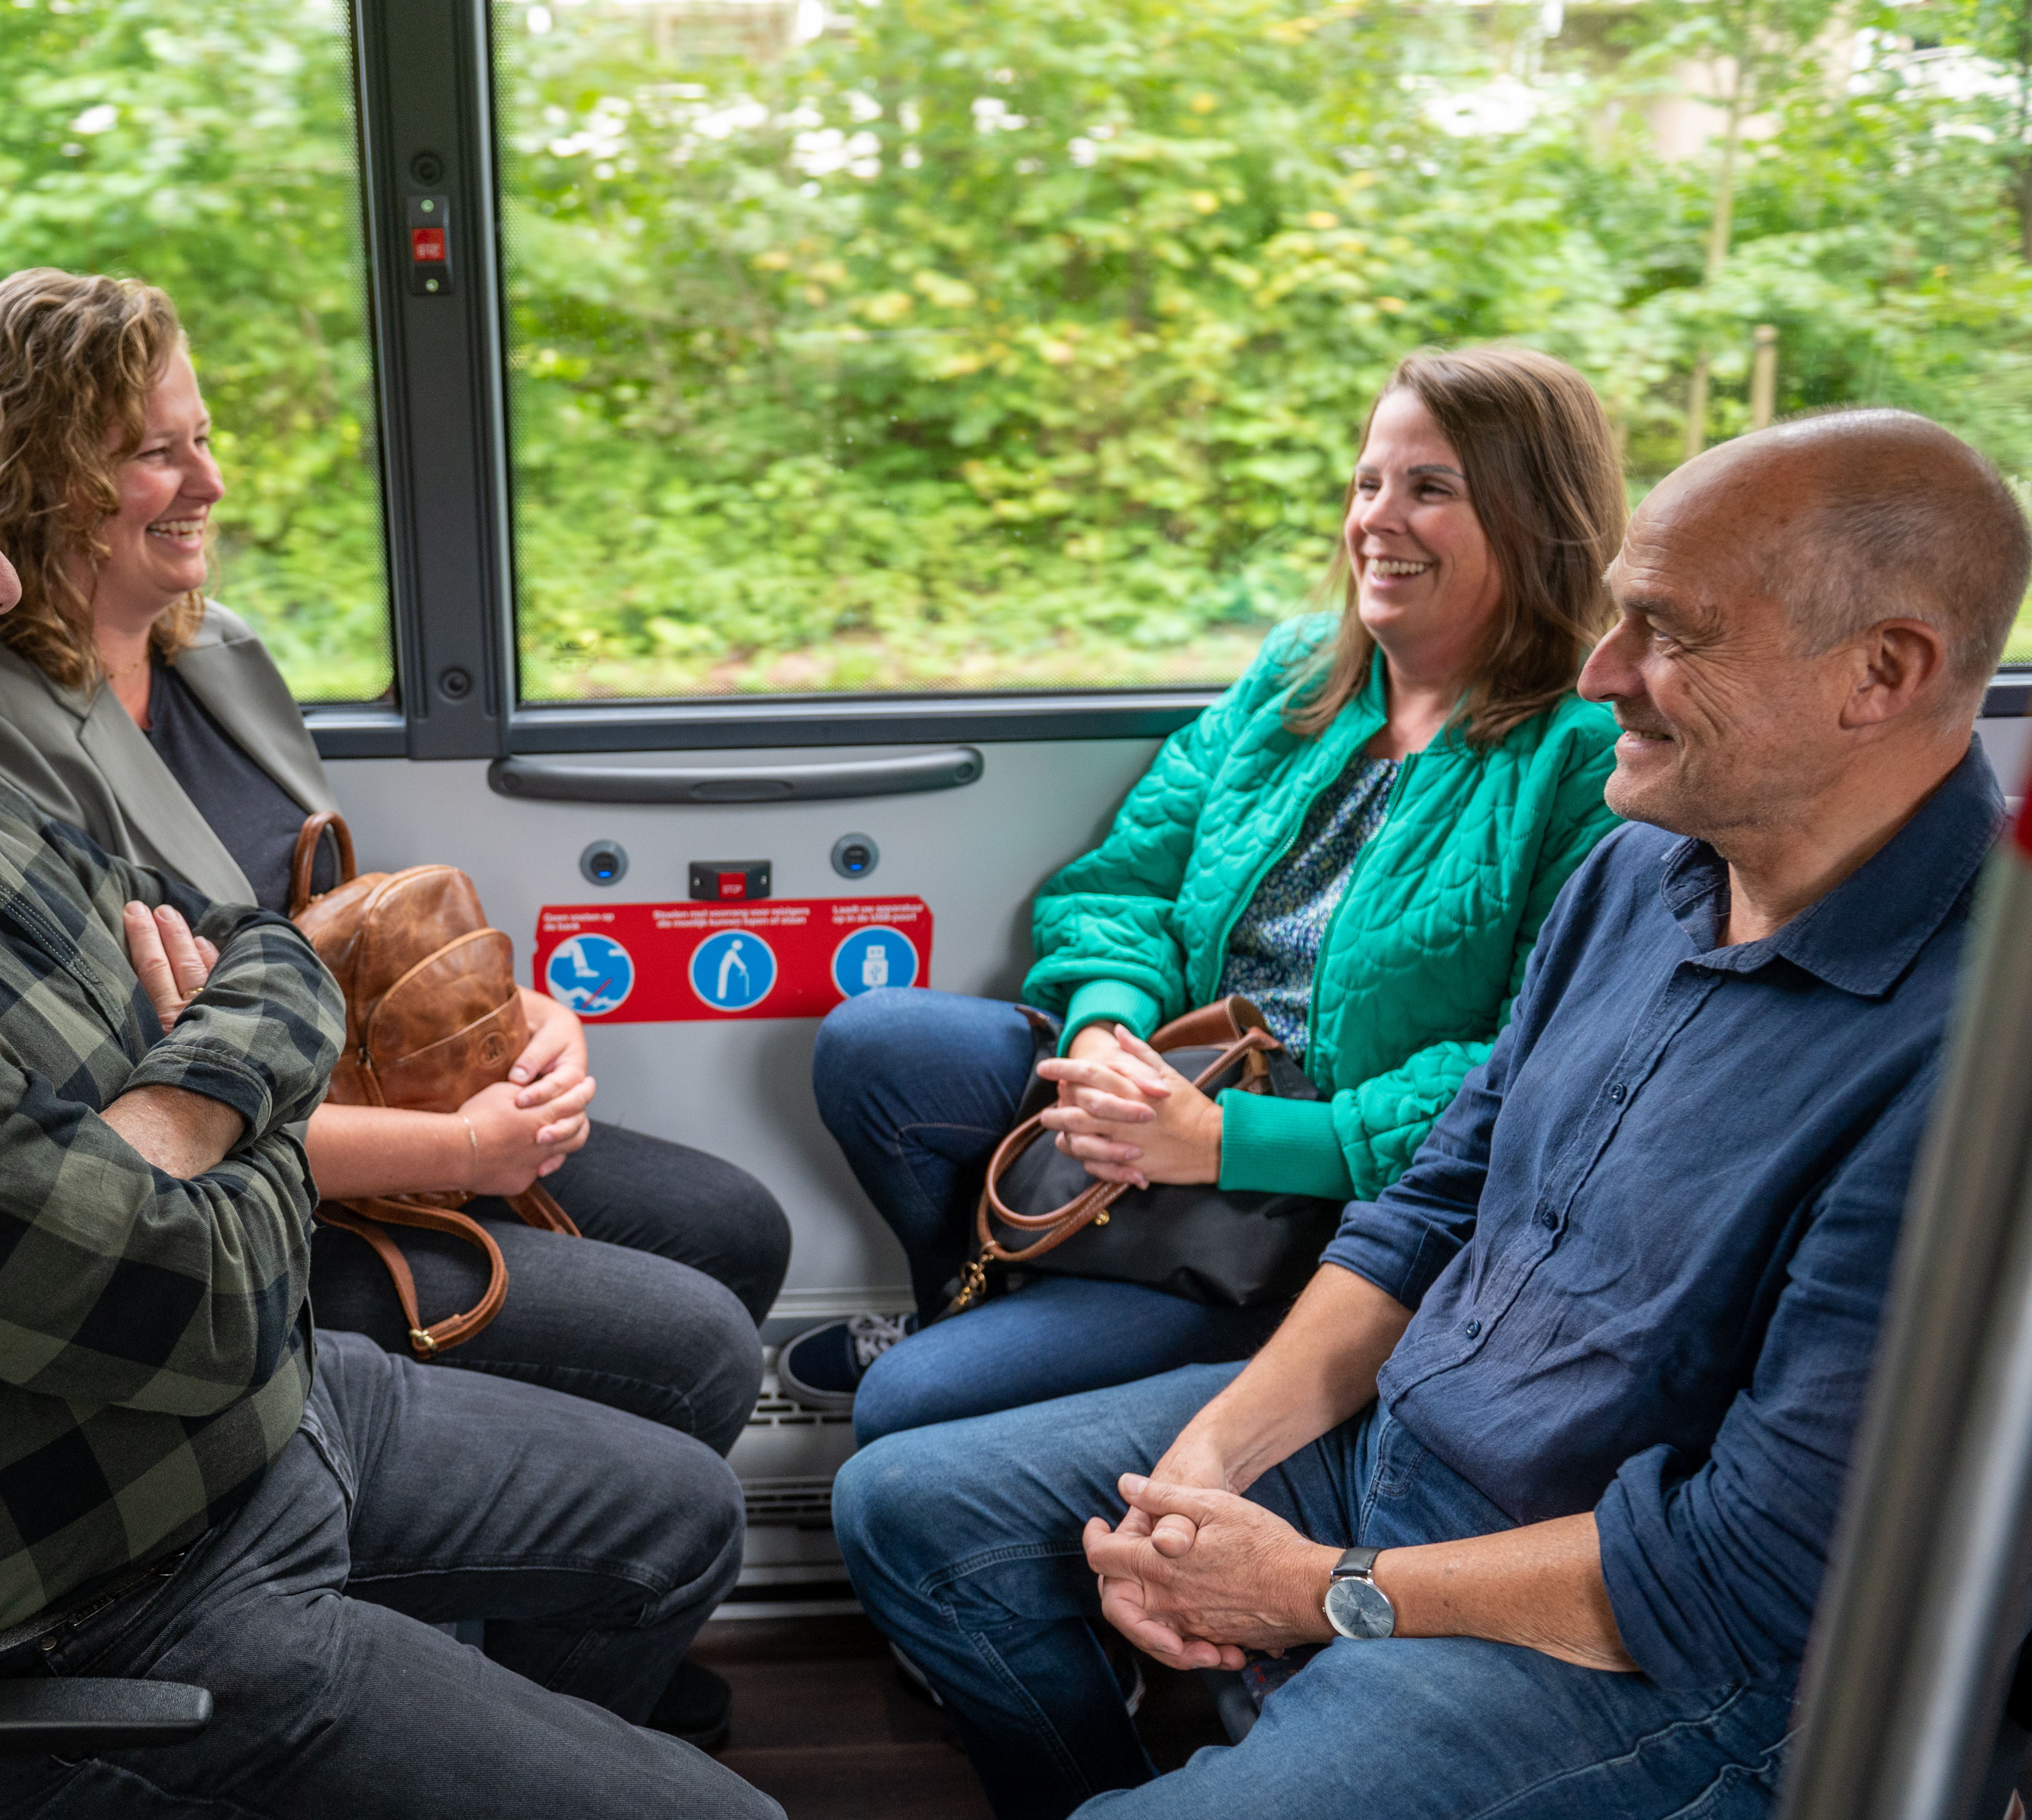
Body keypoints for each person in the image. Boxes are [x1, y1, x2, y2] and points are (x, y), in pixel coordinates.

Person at [0, 319, 780, 1820]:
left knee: (683, 1513)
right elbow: (204, 1296)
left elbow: (270, 951)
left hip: (256, 1431)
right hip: (91, 1613)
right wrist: (204, 1095)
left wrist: (165, 1107)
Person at [831, 406, 2029, 1820]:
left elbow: (1748, 1571)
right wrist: (1208, 1462)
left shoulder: (1978, 1064)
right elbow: (1436, 1204)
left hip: (1647, 1635)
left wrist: (1318, 1592)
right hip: (1408, 1441)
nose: (1604, 677)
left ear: (1879, 671)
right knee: (905, 1508)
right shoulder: (1642, 869)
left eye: (1667, 633)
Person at [0, 269, 791, 1467]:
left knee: (732, 1227)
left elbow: (338, 924)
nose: (210, 486)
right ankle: (580, 1563)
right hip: (249, 1193)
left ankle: (564, 1557)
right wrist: (464, 1154)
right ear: (37, 476)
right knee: (689, 1340)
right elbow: (137, 1101)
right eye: (152, 454)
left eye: (205, 440)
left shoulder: (215, 657)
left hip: (377, 1094)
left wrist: (513, 1017)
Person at [784, 345, 1625, 1434]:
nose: (1378, 518)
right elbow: (1123, 887)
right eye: (1369, 482)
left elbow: (1528, 1066)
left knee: (905, 1405)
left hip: (1318, 1204)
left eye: (1432, 490)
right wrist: (1108, 1043)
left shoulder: (1580, 756)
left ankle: (1167, 1331)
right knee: (879, 1043)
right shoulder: (1295, 678)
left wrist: (1222, 1143)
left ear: (1535, 517)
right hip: (1179, 1085)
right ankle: (1005, 1298)